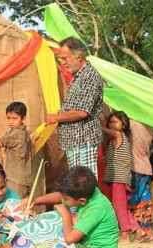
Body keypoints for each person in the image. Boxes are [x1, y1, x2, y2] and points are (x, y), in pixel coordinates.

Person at [45, 37, 103, 178]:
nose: (63, 63)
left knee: (84, 185)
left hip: (83, 140)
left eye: (65, 58)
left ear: (78, 56)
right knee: (78, 185)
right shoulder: (78, 76)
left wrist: (56, 117)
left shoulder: (89, 76)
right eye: (61, 59)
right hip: (75, 142)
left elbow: (82, 111)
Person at [24, 166, 119, 248]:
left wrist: (66, 213)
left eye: (65, 199)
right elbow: (61, 196)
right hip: (85, 244)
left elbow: (70, 239)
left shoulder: (97, 208)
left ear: (82, 201)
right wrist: (35, 201)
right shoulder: (88, 192)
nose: (62, 200)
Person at [102, 111, 147, 243]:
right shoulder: (116, 140)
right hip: (117, 178)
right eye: (110, 122)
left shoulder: (119, 135)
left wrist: (99, 126)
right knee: (121, 206)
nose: (112, 125)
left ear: (123, 124)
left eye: (115, 122)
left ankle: (124, 234)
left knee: (118, 207)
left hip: (119, 178)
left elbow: (114, 133)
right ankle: (138, 230)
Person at [0, 102, 36, 198]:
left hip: (15, 179)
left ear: (23, 119)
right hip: (23, 179)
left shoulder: (16, 133)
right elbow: (31, 154)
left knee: (13, 205)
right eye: (9, 118)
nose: (11, 121)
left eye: (14, 118)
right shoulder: (25, 133)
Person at [128, 119, 153, 240]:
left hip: (135, 169)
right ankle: (148, 233)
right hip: (146, 169)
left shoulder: (132, 125)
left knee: (131, 202)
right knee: (145, 203)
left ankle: (130, 233)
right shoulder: (151, 126)